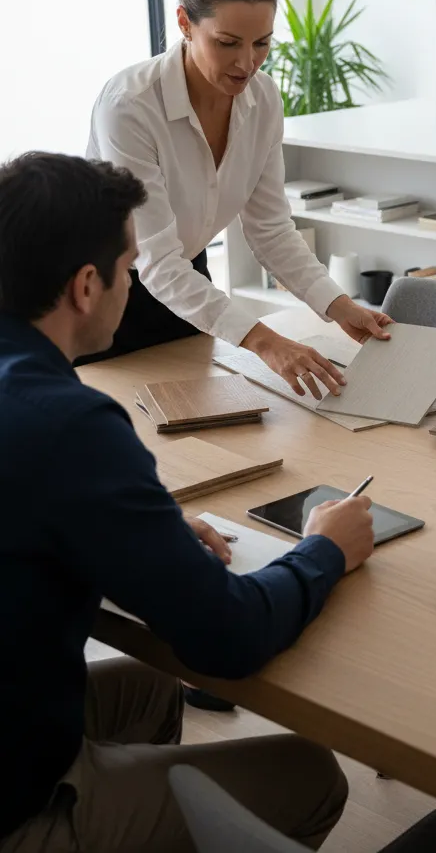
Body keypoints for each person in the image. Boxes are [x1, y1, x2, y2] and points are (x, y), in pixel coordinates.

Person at [0, 152, 376, 852]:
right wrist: (324, 550)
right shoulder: (69, 423)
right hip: (12, 811)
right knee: (307, 773)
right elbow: (228, 640)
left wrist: (146, 529)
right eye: (131, 265)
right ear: (87, 285)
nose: (136, 280)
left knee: (149, 690)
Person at [84, 0, 392, 401]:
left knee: (201, 442)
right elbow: (156, 259)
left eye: (262, 42)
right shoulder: (129, 107)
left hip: (184, 288)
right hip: (103, 296)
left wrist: (339, 305)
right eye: (227, 43)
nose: (247, 63)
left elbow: (269, 228)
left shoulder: (263, 99)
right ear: (185, 22)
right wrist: (264, 342)